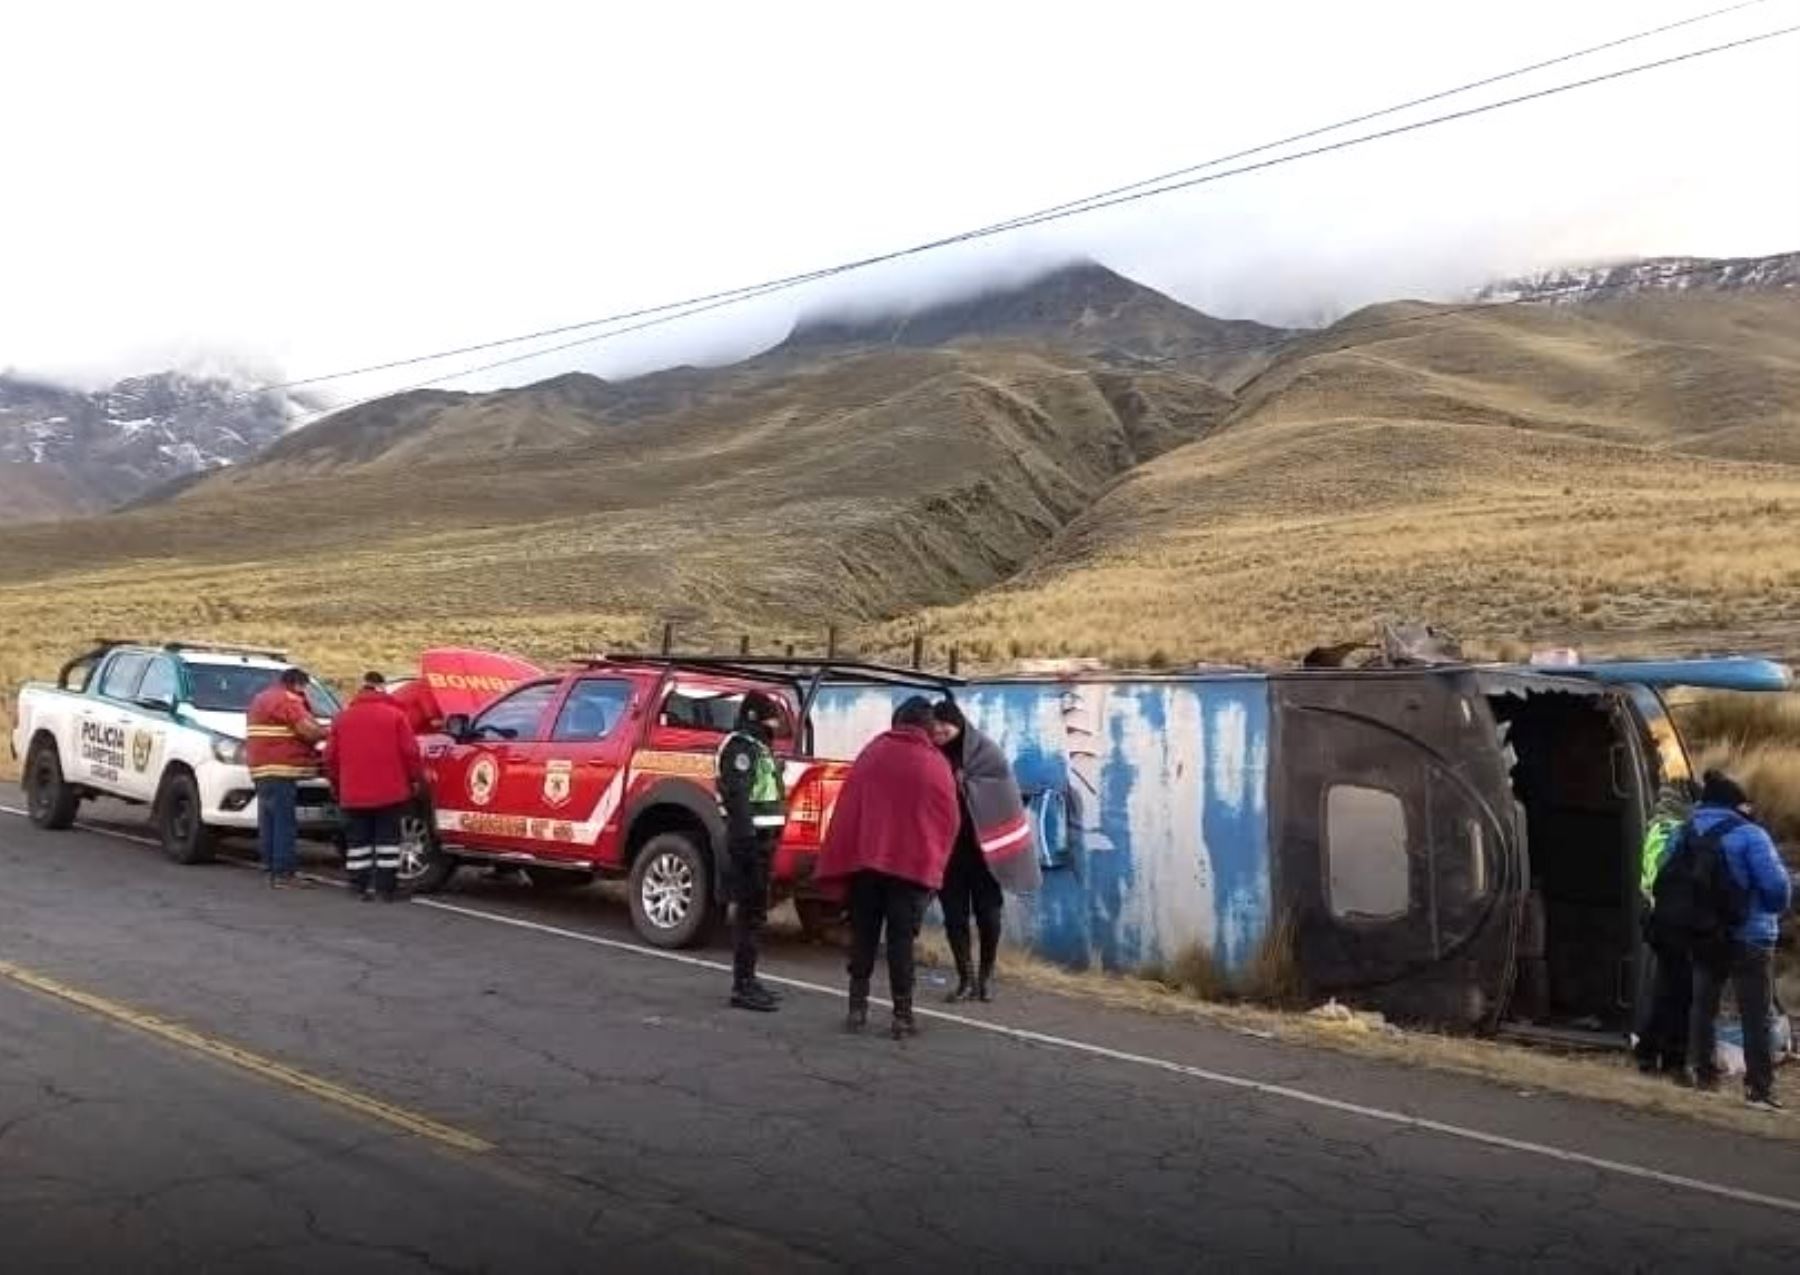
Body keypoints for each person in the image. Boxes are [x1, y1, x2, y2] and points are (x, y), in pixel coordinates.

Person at [815, 697, 961, 1038]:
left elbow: (849, 808)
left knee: (863, 935)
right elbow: (948, 818)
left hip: (867, 866)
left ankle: (856, 1008)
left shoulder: (873, 752)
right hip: (909, 872)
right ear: (925, 726)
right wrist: (934, 862)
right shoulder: (934, 762)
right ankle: (902, 1015)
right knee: (900, 942)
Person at [1668, 771, 1791, 1109]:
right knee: (1755, 1014)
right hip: (1751, 936)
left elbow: (1670, 878)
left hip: (1704, 934)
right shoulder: (1751, 835)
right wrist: (1770, 910)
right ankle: (1758, 1090)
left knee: (1703, 1006)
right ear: (1736, 804)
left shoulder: (1686, 832)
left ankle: (1702, 1076)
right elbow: (1777, 890)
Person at [930, 699, 1040, 1002]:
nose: (938, 729)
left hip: (985, 853)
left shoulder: (986, 753)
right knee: (954, 917)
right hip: (948, 853)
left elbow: (1002, 790)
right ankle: (965, 978)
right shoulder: (929, 755)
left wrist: (966, 785)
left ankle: (986, 976)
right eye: (934, 723)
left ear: (959, 724)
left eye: (944, 723)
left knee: (989, 916)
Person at [323, 672, 425, 901]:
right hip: (390, 792)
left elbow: (329, 757)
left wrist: (337, 783)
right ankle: (385, 889)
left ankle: (358, 886)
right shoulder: (396, 716)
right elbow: (410, 753)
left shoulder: (342, 718)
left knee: (358, 842)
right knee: (388, 842)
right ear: (382, 688)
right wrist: (415, 780)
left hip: (353, 792)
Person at [718, 691, 788, 1013]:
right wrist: (746, 843)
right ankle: (742, 986)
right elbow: (738, 798)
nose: (775, 723)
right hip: (749, 842)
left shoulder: (759, 747)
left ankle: (750, 979)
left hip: (763, 841)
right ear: (755, 717)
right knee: (748, 915)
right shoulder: (740, 748)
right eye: (770, 717)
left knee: (756, 914)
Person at [1633, 784, 1695, 1076]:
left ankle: (1650, 1049)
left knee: (1666, 987)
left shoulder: (1658, 827)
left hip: (1657, 915)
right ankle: (1664, 1054)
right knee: (1676, 990)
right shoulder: (1670, 831)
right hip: (1667, 917)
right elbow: (1662, 875)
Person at [246, 667, 327, 888]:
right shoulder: (287, 699)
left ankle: (270, 867)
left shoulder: (261, 697)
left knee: (269, 820)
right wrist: (330, 732)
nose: (305, 693)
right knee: (284, 822)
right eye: (304, 688)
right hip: (281, 768)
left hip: (260, 768)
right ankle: (284, 873)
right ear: (297, 684)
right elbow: (307, 730)